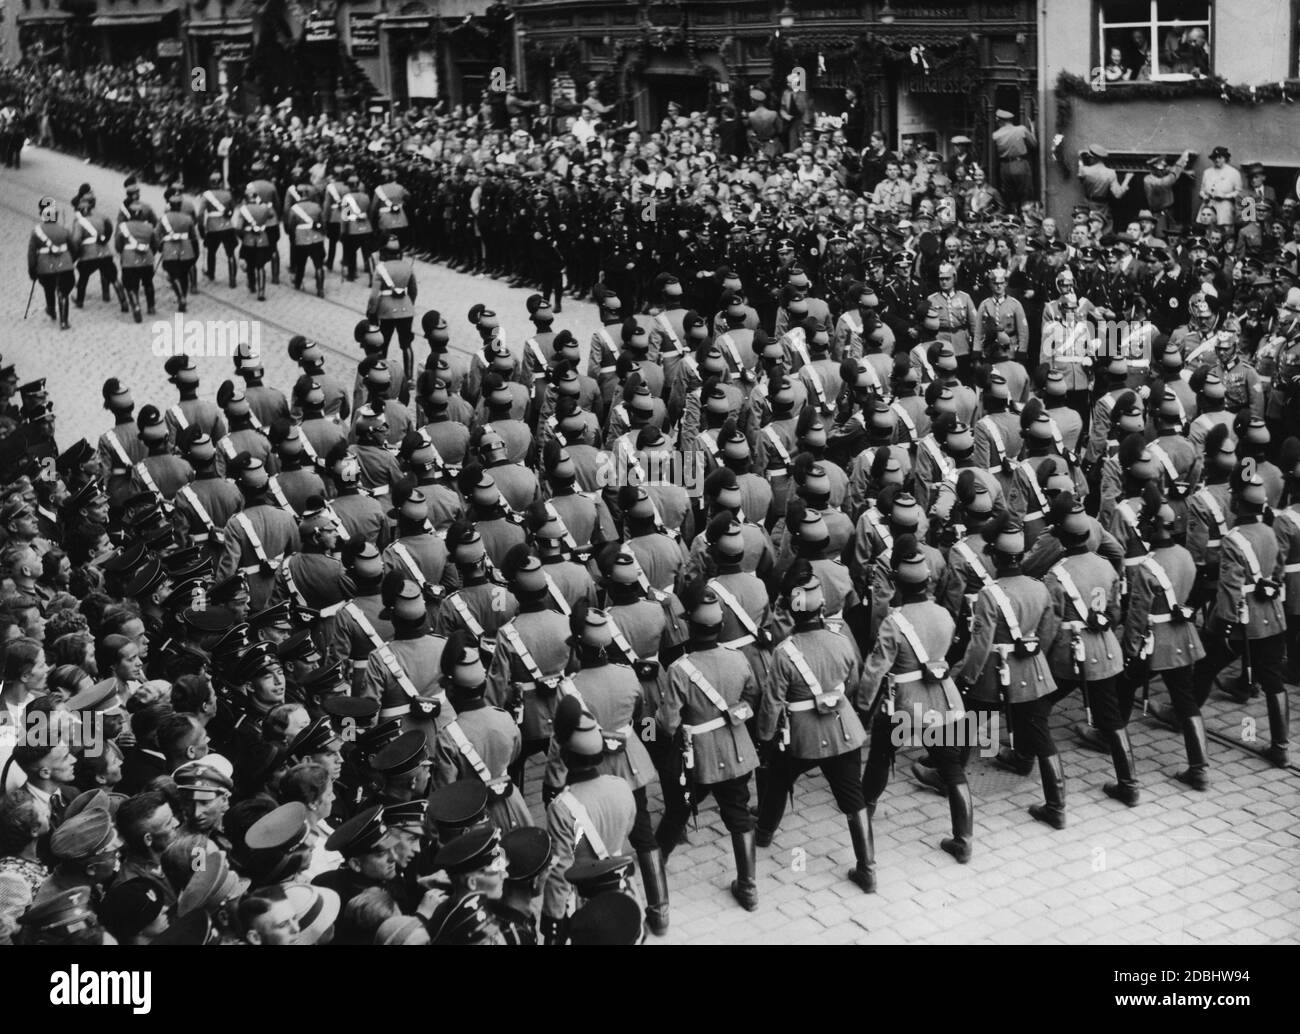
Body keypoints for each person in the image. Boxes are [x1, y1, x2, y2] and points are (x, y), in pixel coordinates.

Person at [28, 197, 74, 330]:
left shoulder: (36, 232)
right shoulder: (64, 230)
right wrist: (71, 260)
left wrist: (32, 269)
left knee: (49, 288)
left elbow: (31, 253)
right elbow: (74, 247)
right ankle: (64, 321)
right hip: (65, 266)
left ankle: (52, 310)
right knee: (63, 292)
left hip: (45, 267)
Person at [991, 109, 1036, 209]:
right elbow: (1034, 144)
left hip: (1005, 167)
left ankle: (1013, 216)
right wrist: (1032, 130)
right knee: (1025, 193)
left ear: (1000, 121)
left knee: (1010, 196)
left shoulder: (996, 135)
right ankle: (1025, 217)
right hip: (1020, 165)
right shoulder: (1021, 129)